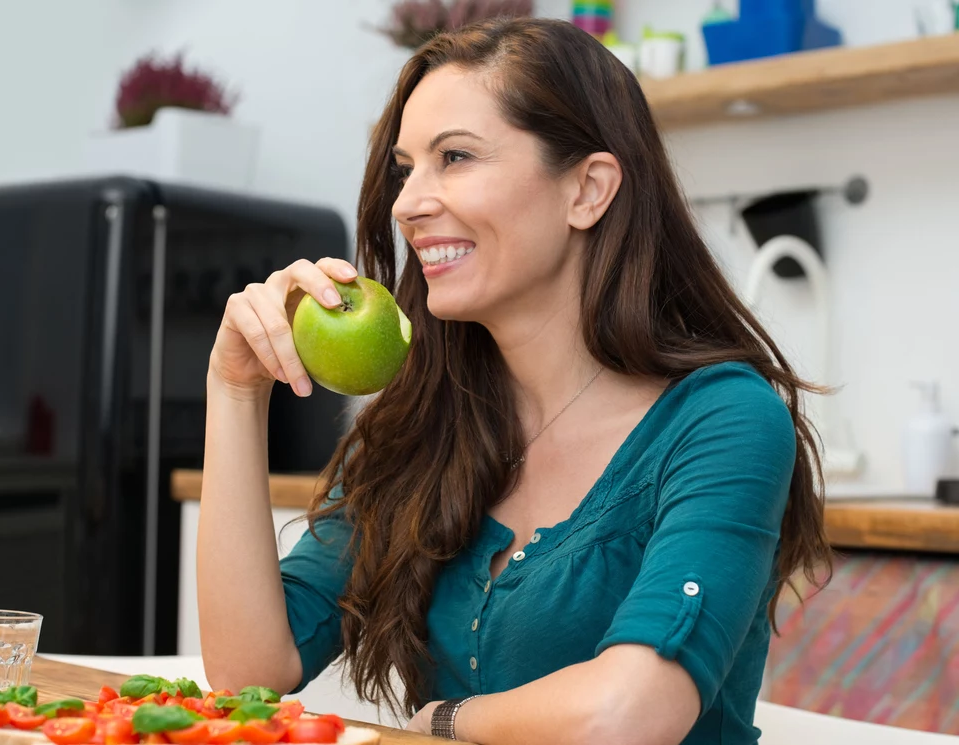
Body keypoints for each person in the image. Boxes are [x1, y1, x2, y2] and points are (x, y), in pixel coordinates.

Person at [197, 17, 830, 745]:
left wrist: (445, 720)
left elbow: (630, 711)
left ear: (588, 190)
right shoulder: (425, 424)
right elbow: (249, 671)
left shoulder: (724, 420)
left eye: (455, 157)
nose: (407, 203)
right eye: (406, 169)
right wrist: (236, 388)